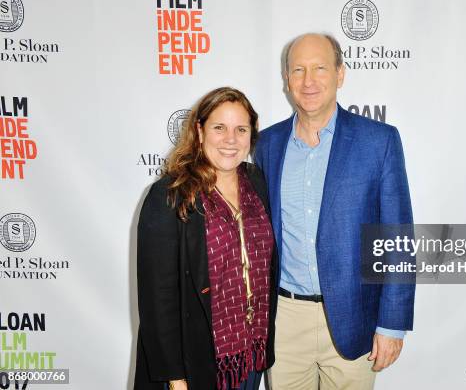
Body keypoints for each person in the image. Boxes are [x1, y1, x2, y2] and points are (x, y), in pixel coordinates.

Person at [254, 33, 414, 389]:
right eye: (298, 70)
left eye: (319, 68)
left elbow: (398, 239)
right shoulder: (267, 144)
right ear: (286, 80)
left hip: (354, 317)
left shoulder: (379, 141)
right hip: (284, 320)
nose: (308, 81)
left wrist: (391, 324)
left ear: (340, 74)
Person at [134, 87, 277, 390]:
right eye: (219, 128)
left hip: (251, 354)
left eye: (241, 129)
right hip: (197, 362)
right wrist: (175, 378)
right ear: (199, 132)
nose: (230, 139)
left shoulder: (256, 181)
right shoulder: (170, 195)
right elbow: (157, 299)